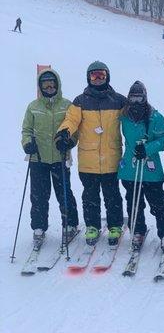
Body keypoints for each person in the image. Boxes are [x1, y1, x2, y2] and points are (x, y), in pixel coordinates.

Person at [56, 61, 126, 246]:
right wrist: (64, 132)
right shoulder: (80, 101)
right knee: (90, 196)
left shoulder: (119, 100)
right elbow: (71, 120)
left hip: (112, 158)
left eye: (101, 75)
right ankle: (92, 226)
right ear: (88, 78)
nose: (97, 79)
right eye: (93, 75)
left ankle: (115, 226)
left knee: (112, 195)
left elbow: (135, 116)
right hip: (88, 160)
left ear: (107, 76)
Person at [21, 69, 79, 247]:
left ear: (57, 84)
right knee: (38, 195)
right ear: (40, 86)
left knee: (64, 193)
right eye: (45, 83)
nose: (49, 86)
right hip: (38, 159)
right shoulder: (33, 106)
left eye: (52, 83)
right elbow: (26, 130)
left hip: (59, 158)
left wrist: (69, 142)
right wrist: (27, 143)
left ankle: (70, 224)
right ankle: (39, 228)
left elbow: (74, 129)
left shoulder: (67, 105)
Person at [118, 81, 164, 251]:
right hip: (130, 167)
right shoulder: (123, 115)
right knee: (133, 201)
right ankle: (137, 230)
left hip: (150, 168)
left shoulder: (155, 117)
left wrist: (147, 148)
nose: (136, 102)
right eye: (133, 98)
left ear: (145, 97)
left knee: (157, 201)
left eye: (139, 98)